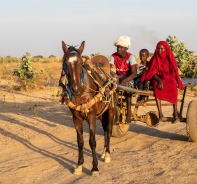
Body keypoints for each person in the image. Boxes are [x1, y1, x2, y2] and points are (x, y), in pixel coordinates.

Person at [140, 41, 183, 124]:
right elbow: (152, 72)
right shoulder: (155, 58)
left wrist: (168, 77)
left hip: (168, 77)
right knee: (156, 85)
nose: (159, 51)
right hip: (157, 78)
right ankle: (160, 114)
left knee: (173, 83)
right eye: (158, 49)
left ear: (166, 49)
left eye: (161, 49)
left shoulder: (170, 57)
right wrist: (159, 80)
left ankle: (175, 113)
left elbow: (173, 71)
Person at [109, 36, 137, 123]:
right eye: (118, 47)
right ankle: (114, 105)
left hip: (128, 77)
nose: (118, 49)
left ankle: (129, 112)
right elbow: (108, 68)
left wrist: (125, 81)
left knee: (127, 86)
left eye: (121, 47)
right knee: (112, 83)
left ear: (126, 48)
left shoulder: (130, 57)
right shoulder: (113, 56)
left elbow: (134, 73)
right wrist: (112, 74)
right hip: (118, 76)